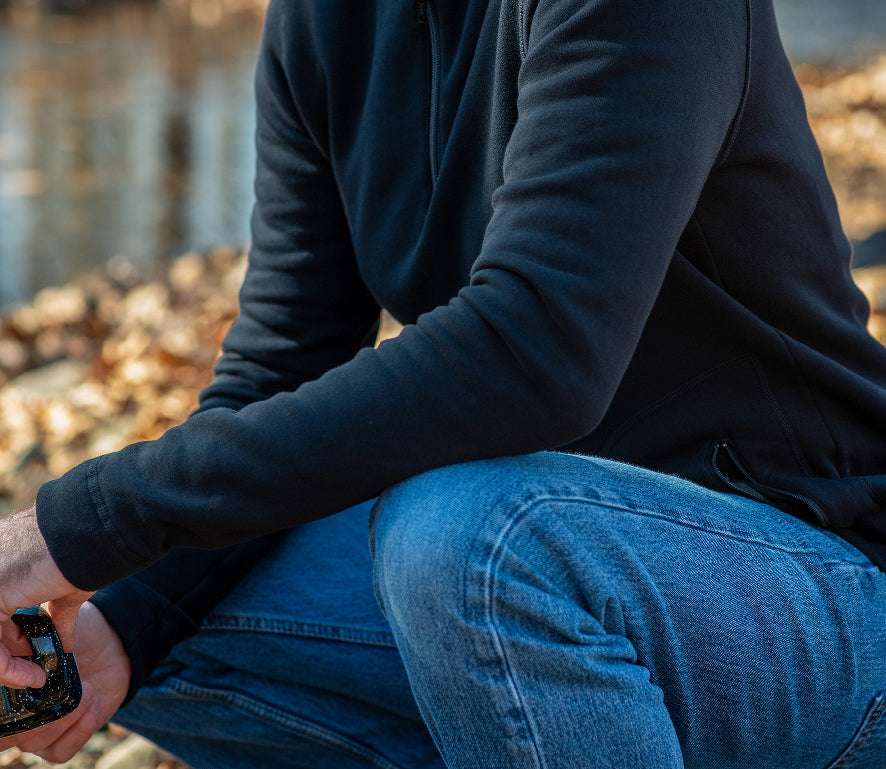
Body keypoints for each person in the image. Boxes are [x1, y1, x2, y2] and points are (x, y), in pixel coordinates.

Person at [1, 0, 886, 765]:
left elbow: (536, 352)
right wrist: (122, 610)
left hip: (813, 585)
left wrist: (82, 520)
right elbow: (278, 370)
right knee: (127, 628)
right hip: (545, 596)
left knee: (468, 538)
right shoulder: (322, 22)